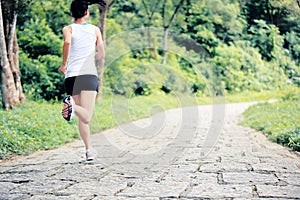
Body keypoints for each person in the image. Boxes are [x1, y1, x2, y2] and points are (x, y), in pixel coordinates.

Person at [59, 0, 105, 161]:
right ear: (86, 13)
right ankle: (71, 105)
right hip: (88, 75)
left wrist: (64, 64)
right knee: (86, 117)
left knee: (81, 115)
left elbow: (67, 42)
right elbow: (101, 53)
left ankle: (88, 150)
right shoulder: (95, 30)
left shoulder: (68, 29)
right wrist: (96, 56)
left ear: (72, 13)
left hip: (71, 76)